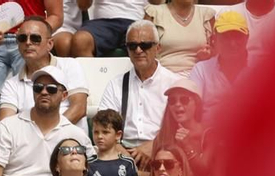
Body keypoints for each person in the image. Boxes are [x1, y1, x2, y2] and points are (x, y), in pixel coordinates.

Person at [94, 21, 185, 152]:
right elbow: (103, 127)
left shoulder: (174, 83)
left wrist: (155, 145)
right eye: (132, 45)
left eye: (145, 45)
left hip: (164, 151)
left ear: (158, 48)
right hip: (122, 152)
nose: (138, 50)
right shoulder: (116, 84)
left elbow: (183, 128)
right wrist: (126, 158)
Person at [0, 65, 80, 176]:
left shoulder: (74, 134)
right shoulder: (7, 127)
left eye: (51, 89)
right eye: (38, 87)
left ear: (64, 96)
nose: (44, 92)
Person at [0, 16, 87, 123]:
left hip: (68, 136)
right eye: (22, 38)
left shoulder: (70, 65)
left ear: (50, 44)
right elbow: (5, 122)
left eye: (35, 38)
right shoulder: (11, 84)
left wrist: (51, 132)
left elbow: (79, 108)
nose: (28, 42)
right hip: (27, 138)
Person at [188, 9, 252, 121]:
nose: (232, 43)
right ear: (214, 39)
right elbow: (191, 110)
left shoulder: (262, 69)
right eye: (226, 37)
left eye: (237, 36)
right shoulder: (201, 70)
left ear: (247, 38)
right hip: (208, 133)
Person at [88, 110, 140, 176]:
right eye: (96, 132)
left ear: (118, 135)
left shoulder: (128, 163)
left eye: (105, 132)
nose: (99, 136)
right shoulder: (88, 163)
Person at [144, 0, 212, 73]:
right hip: (163, 74)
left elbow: (217, 52)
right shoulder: (154, 13)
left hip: (198, 75)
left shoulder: (206, 15)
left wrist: (209, 55)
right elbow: (143, 49)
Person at [73, 0, 145, 56]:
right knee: (81, 40)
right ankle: (93, 75)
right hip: (102, 22)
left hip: (135, 20)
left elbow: (155, 2)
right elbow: (83, 5)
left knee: (146, 42)